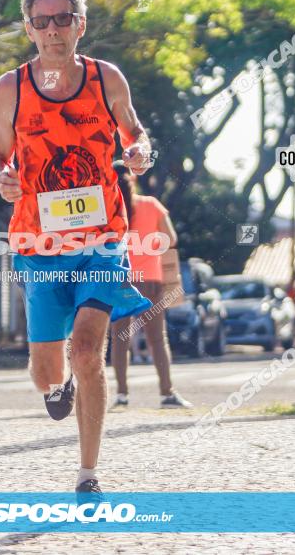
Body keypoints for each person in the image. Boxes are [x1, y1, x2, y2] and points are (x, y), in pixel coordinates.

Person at [0, 0, 155, 498]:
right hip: (39, 245)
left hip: (104, 238)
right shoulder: (10, 88)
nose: (53, 30)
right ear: (29, 29)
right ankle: (53, 390)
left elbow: (137, 135)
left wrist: (140, 154)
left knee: (86, 350)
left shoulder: (107, 80)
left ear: (79, 25)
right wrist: (0, 177)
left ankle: (87, 473)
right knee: (46, 371)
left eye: (63, 19)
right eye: (43, 22)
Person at [109, 164, 192, 409]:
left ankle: (122, 395)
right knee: (157, 338)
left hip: (120, 279)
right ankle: (167, 394)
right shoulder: (151, 205)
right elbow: (171, 239)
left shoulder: (109, 209)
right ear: (132, 177)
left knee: (120, 339)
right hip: (150, 280)